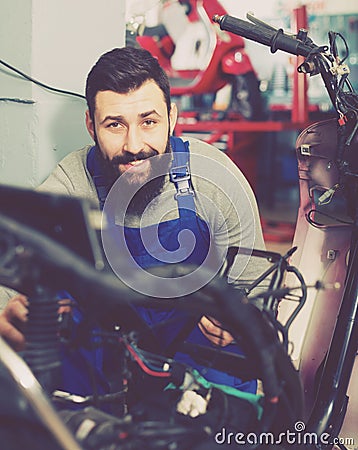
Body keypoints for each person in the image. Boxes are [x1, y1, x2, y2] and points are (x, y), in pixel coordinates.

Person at [0, 46, 268, 397]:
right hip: (107, 374)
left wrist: (240, 316)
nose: (134, 145)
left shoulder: (216, 183)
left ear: (171, 118)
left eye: (149, 121)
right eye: (115, 125)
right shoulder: (69, 187)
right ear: (90, 126)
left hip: (199, 370)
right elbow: (8, 296)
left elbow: (261, 291)